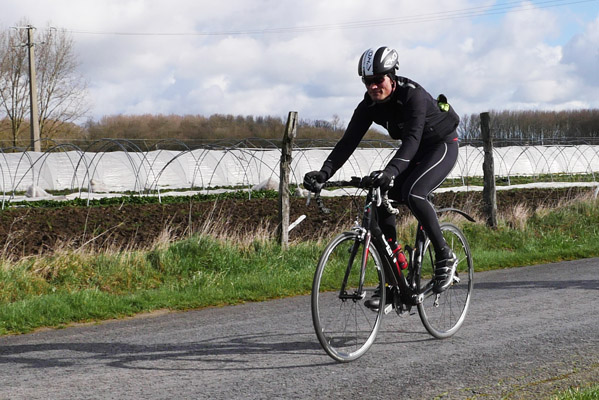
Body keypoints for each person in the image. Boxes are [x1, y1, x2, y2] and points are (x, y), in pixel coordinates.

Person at [303, 46, 460, 306]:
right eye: (368, 82)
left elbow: (411, 140)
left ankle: (445, 255)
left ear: (392, 77)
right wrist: (324, 172)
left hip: (440, 146)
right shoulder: (369, 106)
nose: (373, 87)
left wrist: (390, 172)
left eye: (378, 80)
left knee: (414, 193)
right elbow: (348, 142)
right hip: (413, 152)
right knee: (378, 196)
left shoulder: (412, 96)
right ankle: (392, 281)